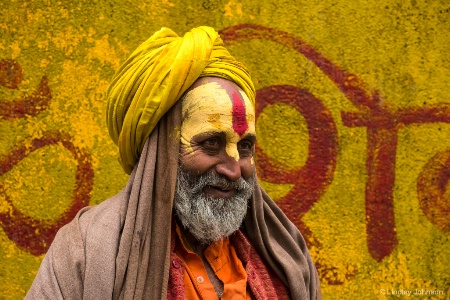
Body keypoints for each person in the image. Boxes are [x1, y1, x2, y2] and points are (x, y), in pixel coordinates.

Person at [25, 26, 321, 300]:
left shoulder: (286, 257)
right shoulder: (85, 254)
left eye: (244, 147)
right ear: (160, 151)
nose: (233, 169)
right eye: (211, 143)